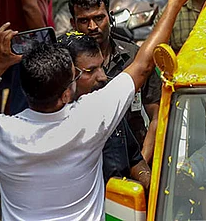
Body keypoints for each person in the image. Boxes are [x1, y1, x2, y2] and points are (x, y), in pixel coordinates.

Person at [0, 0, 192, 221]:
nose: (102, 77)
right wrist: (174, 2)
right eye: (86, 72)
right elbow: (143, 65)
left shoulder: (1, 134)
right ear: (66, 94)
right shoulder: (89, 118)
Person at [68, 0, 166, 163]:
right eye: (84, 21)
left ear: (110, 17)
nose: (92, 27)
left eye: (99, 18)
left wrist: (140, 162)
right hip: (84, 159)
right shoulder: (65, 63)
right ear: (73, 24)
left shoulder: (134, 58)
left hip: (134, 156)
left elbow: (157, 117)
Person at [62, 31, 151, 190]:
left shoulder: (109, 106)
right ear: (68, 75)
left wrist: (148, 188)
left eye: (101, 66)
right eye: (90, 71)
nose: (102, 77)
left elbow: (135, 159)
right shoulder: (61, 125)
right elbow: (142, 67)